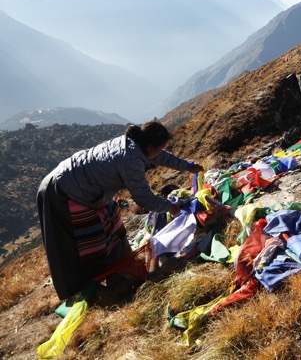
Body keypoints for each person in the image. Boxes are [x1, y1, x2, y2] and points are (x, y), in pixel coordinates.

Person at [36, 121, 204, 300]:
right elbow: (144, 198)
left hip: (82, 186)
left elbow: (160, 157)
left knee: (112, 222)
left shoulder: (137, 144)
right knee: (84, 239)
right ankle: (85, 288)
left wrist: (187, 166)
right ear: (149, 146)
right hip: (62, 191)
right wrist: (170, 208)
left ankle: (119, 270)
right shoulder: (131, 159)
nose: (161, 151)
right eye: (160, 147)